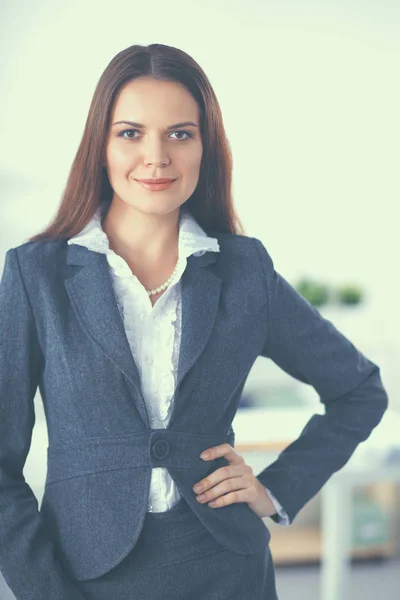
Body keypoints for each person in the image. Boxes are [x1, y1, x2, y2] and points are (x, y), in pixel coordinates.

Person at [0, 43, 388, 600]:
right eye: (130, 133)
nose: (156, 157)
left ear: (206, 146)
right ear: (100, 147)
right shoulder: (35, 276)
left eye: (180, 133)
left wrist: (275, 490)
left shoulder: (245, 271)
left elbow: (359, 390)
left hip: (228, 574)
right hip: (82, 578)